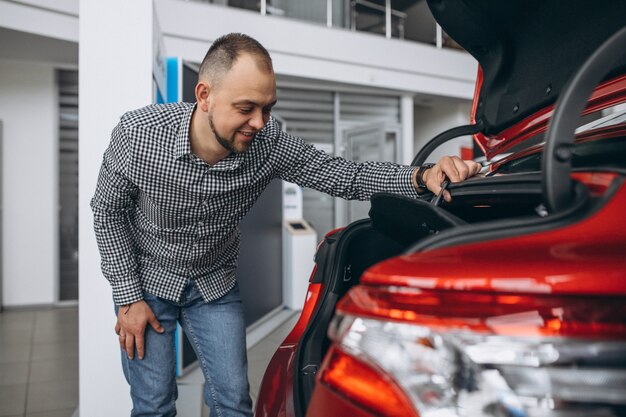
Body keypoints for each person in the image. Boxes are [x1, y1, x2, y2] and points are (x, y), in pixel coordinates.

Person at [91, 33, 481, 417]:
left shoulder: (269, 143)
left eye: (268, 108)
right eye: (246, 108)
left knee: (233, 402)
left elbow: (343, 175)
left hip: (214, 283)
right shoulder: (139, 135)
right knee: (153, 406)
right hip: (147, 284)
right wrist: (128, 299)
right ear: (204, 95)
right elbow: (107, 211)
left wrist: (421, 176)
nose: (259, 122)